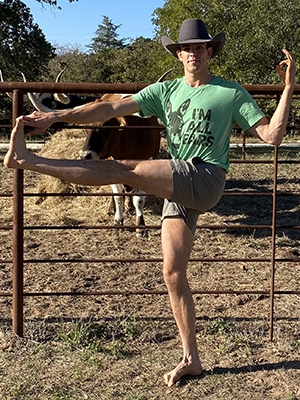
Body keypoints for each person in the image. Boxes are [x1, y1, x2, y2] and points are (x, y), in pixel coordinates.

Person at [4, 19, 295, 387]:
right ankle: (191, 359)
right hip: (178, 183)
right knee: (172, 273)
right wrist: (55, 116)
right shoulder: (165, 91)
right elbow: (105, 110)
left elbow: (272, 136)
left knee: (124, 169)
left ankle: (28, 161)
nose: (193, 52)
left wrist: (288, 88)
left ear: (210, 52)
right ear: (178, 54)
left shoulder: (230, 93)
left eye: (200, 47)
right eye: (186, 47)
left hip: (205, 177)